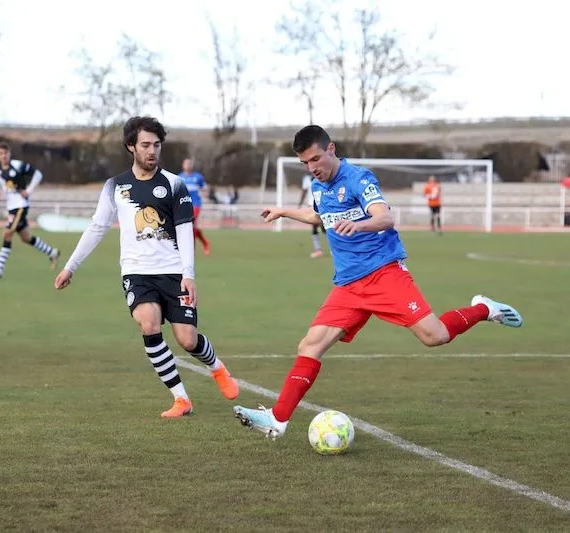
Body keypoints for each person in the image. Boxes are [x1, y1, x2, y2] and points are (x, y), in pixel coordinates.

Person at [232, 125, 523, 440]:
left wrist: (359, 226)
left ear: (331, 149)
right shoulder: (319, 186)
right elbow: (319, 217)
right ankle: (277, 419)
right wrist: (283, 211)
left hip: (384, 273)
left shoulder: (359, 178)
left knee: (435, 336)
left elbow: (385, 217)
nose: (312, 167)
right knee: (310, 345)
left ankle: (483, 308)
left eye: (315, 158)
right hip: (347, 285)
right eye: (305, 163)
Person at [53, 116, 239, 418]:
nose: (152, 151)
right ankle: (181, 399)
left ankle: (217, 368)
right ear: (131, 147)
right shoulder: (115, 186)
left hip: (173, 271)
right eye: (145, 145)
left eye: (156, 145)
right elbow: (98, 227)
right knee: (149, 325)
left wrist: (189, 275)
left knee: (188, 340)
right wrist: (70, 266)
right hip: (137, 272)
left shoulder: (175, 184)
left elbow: (184, 230)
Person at [0, 142, 60, 279]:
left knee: (7, 233)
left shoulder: (18, 165)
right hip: (11, 207)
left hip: (20, 206)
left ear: (9, 154)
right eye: (1, 153)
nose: (4, 156)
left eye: (5, 153)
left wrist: (29, 190)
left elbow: (38, 175)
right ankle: (52, 252)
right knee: (26, 238)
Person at [179, 158, 211, 255]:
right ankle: (205, 242)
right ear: (183, 165)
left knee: (191, 224)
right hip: (184, 204)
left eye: (189, 164)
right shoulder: (179, 177)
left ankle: (191, 248)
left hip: (196, 204)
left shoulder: (198, 177)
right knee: (189, 226)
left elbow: (205, 187)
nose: (188, 165)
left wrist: (206, 194)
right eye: (186, 164)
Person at [299, 173, 326, 258]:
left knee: (324, 227)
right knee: (315, 227)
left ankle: (333, 249)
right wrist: (300, 203)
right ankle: (318, 250)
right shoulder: (306, 179)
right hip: (311, 206)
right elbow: (304, 191)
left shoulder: (322, 176)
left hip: (320, 205)